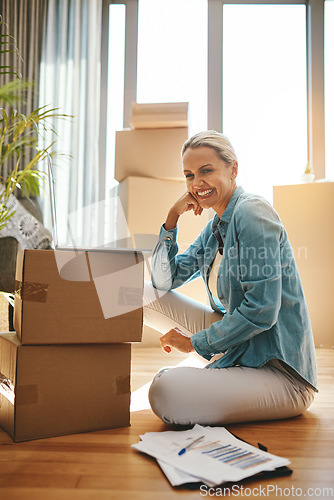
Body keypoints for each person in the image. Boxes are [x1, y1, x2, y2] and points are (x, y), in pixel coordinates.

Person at [144, 130, 317, 427]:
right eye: (189, 175)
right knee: (139, 292)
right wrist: (171, 218)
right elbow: (163, 281)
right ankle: (222, 373)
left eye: (206, 171)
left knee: (165, 390)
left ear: (233, 169)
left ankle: (218, 374)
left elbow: (262, 311)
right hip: (242, 348)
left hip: (279, 372)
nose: (197, 184)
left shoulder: (252, 213)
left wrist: (194, 343)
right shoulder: (216, 226)